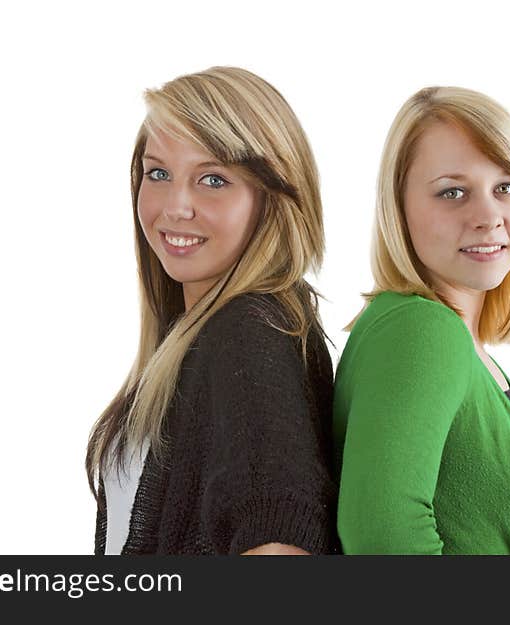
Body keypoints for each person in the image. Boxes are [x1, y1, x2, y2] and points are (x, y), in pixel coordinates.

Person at [86, 67, 338, 555]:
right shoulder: (203, 332)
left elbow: (281, 542)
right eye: (158, 173)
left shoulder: (248, 333)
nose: (175, 206)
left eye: (213, 179)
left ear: (271, 198)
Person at [333, 86, 510, 554]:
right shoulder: (420, 329)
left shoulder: (456, 342)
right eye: (453, 192)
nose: (488, 216)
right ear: (397, 210)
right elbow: (384, 537)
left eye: (506, 187)